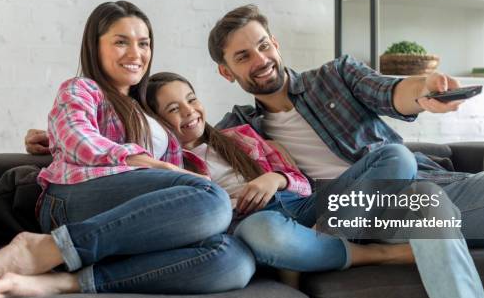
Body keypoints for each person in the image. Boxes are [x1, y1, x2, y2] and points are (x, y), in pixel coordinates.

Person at [205, 5, 484, 298]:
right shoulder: (235, 134)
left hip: (427, 189)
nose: (261, 60)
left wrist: (423, 89)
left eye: (263, 46)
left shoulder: (335, 76)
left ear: (275, 44)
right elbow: (197, 173)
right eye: (243, 57)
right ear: (226, 72)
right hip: (350, 221)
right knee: (424, 199)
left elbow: (392, 91)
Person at [0, 1, 255, 298]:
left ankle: (65, 282)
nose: (135, 54)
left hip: (132, 223)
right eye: (121, 42)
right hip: (75, 197)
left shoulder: (148, 110)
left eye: (143, 43)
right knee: (211, 200)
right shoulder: (81, 89)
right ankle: (47, 248)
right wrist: (151, 164)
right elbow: (77, 136)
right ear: (94, 46)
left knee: (233, 260)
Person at [145, 72, 415, 277]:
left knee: (397, 156)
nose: (189, 110)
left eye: (190, 99)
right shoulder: (169, 165)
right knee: (261, 231)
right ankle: (375, 254)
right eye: (173, 109)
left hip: (301, 207)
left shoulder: (240, 137)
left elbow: (303, 186)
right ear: (156, 123)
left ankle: (313, 246)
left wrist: (276, 178)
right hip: (254, 223)